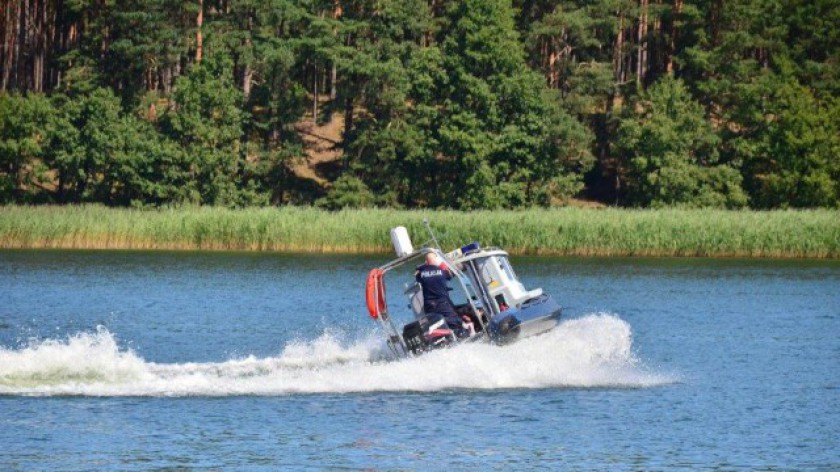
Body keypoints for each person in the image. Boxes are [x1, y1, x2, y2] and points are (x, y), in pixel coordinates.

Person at [415, 252, 469, 338]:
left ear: (426, 262)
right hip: (442, 304)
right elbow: (451, 273)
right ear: (436, 260)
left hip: (429, 306)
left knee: (437, 322)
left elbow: (417, 273)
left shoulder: (421, 274)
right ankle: (465, 335)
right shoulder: (442, 272)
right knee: (457, 322)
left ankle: (446, 336)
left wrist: (425, 266)